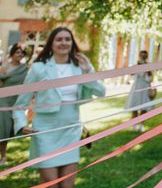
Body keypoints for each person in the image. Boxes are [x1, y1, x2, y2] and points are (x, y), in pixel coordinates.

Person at [13, 27, 105, 187]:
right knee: (50, 183)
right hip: (45, 131)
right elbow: (20, 104)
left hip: (70, 130)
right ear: (51, 44)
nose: (64, 42)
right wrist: (21, 125)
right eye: (59, 39)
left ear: (72, 43)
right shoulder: (38, 68)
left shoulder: (80, 67)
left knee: (67, 185)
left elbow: (101, 92)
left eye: (67, 39)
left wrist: (88, 71)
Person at [0, 43, 28, 165]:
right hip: (3, 101)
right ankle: (3, 156)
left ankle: (3, 155)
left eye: (22, 52)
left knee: (8, 130)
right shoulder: (4, 66)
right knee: (3, 129)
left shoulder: (25, 68)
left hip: (16, 102)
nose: (20, 54)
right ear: (12, 53)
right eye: (17, 52)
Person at [124, 50, 153, 132]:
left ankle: (141, 124)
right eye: (141, 55)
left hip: (145, 86)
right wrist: (137, 67)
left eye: (144, 56)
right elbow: (131, 74)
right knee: (135, 106)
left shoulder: (149, 65)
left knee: (144, 107)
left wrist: (147, 69)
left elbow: (150, 77)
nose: (143, 57)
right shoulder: (136, 65)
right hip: (137, 86)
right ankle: (134, 124)